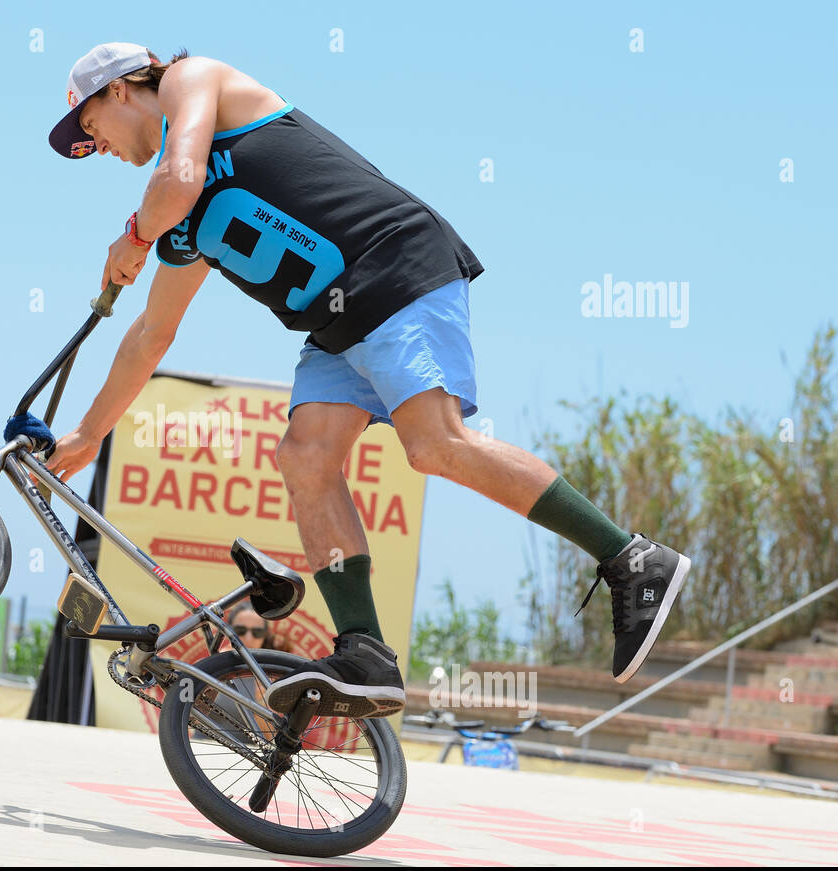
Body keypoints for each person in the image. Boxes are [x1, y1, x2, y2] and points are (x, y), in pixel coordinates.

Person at [43, 43, 692, 719]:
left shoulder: (191, 79)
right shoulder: (178, 225)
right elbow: (152, 335)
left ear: (121, 90)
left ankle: (630, 557)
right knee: (304, 457)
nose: (101, 151)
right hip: (334, 327)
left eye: (92, 131)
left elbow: (178, 177)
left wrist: (134, 237)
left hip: (393, 268)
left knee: (434, 444)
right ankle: (366, 655)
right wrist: (90, 433)